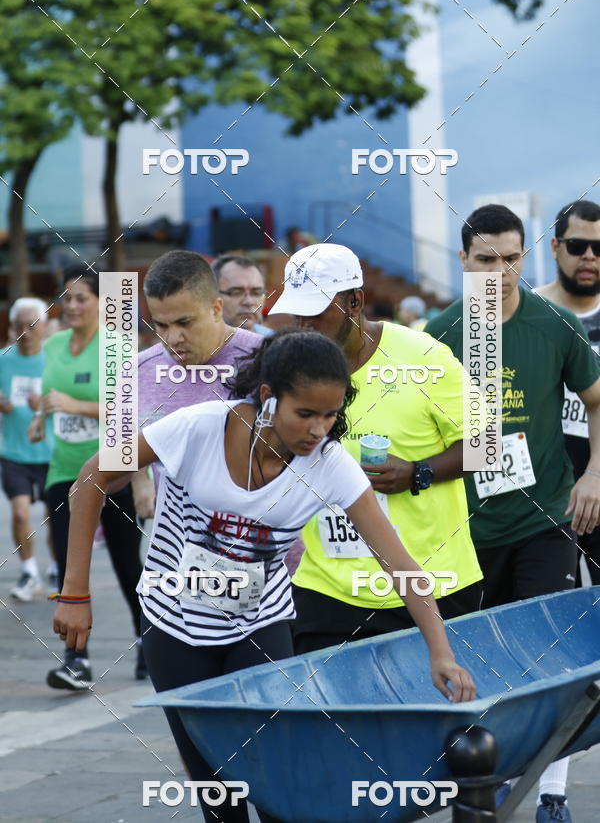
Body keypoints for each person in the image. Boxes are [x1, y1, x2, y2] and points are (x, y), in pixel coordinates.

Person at [53, 330, 475, 823]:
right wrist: (75, 592)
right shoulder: (197, 428)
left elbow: (400, 564)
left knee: (279, 780)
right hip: (173, 625)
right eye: (306, 414)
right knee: (219, 792)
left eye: (330, 414)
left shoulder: (331, 466)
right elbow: (92, 477)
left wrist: (440, 652)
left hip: (260, 626)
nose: (319, 429)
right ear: (270, 397)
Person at [426, 204, 600, 823]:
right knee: (478, 663)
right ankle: (486, 779)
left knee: (552, 658)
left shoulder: (556, 325)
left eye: (511, 259)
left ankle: (552, 791)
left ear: (526, 257)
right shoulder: (440, 335)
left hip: (545, 519)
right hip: (467, 532)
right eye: (486, 260)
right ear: (464, 260)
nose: (500, 272)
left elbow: (597, 401)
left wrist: (594, 475)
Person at [266, 243, 482, 652]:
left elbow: (485, 444)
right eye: (298, 311)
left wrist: (419, 471)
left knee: (438, 712)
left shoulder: (425, 357)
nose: (304, 323)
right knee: (334, 715)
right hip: (328, 588)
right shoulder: (289, 366)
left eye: (316, 311)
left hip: (434, 580)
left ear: (355, 301)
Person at [29, 265, 145, 689]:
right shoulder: (55, 343)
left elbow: (130, 412)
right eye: (68, 298)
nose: (73, 305)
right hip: (63, 471)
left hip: (113, 470)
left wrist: (74, 406)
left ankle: (146, 642)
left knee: (126, 563)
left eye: (83, 298)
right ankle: (76, 660)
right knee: (66, 564)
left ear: (102, 303)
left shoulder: (116, 346)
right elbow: (50, 395)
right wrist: (41, 418)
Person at [132, 250, 262, 521]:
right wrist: (139, 482)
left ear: (216, 309)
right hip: (178, 548)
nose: (173, 338)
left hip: (260, 542)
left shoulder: (265, 357)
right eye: (161, 326)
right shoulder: (139, 370)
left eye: (184, 323)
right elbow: (120, 450)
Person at [535, 200, 600, 587]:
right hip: (543, 490)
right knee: (552, 607)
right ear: (555, 247)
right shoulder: (529, 311)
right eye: (577, 247)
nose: (589, 256)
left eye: (599, 248)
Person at [0, 298, 55, 600]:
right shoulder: (3, 359)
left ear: (44, 327)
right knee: (20, 514)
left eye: (32, 325)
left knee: (55, 517)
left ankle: (57, 568)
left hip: (51, 453)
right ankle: (29, 570)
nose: (26, 331)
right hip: (14, 453)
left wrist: (45, 406)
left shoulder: (56, 359)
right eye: (20, 325)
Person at [212, 254, 272, 335]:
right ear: (212, 296)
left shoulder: (276, 343)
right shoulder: (193, 344)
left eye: (257, 293)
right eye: (236, 293)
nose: (249, 302)